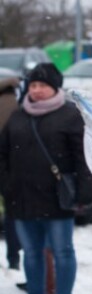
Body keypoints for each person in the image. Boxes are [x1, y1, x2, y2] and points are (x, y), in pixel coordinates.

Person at [0, 63, 92, 294]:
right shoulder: (18, 116)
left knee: (63, 252)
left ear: (55, 87)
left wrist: (85, 189)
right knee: (32, 254)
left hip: (57, 199)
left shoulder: (69, 115)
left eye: (43, 85)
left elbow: (82, 157)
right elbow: (3, 154)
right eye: (33, 85)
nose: (37, 90)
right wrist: (6, 184)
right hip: (21, 199)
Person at [0, 76, 22, 271]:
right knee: (11, 214)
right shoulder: (14, 106)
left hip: (6, 167)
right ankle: (13, 257)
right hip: (11, 169)